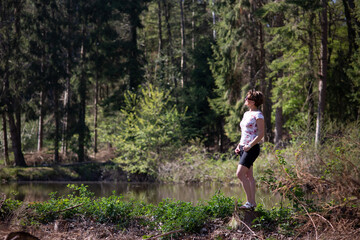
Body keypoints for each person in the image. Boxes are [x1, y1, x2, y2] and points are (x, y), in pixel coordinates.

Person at [235, 90, 264, 209]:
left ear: (253, 101)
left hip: (251, 148)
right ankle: (253, 203)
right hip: (243, 147)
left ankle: (249, 202)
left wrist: (249, 145)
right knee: (249, 176)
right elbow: (244, 132)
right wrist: (239, 145)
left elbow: (261, 134)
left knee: (239, 174)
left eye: (247, 98)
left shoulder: (258, 115)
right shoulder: (246, 114)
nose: (245, 99)